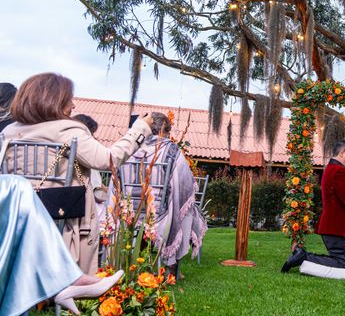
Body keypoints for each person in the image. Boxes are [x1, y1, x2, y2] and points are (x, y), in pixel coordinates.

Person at [0, 72, 153, 274]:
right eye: (68, 99)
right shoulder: (68, 130)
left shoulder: (9, 133)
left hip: (18, 220)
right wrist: (139, 129)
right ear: (53, 100)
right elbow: (107, 159)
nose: (73, 105)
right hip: (64, 224)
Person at [0, 174, 123, 316]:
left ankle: (64, 280)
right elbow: (100, 159)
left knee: (19, 191)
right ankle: (66, 281)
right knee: (18, 187)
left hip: (41, 191)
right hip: (52, 188)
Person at [118, 112, 207, 273]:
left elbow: (116, 181)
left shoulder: (129, 147)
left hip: (129, 211)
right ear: (162, 132)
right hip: (160, 213)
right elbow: (185, 182)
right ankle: (171, 266)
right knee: (185, 210)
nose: (169, 136)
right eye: (168, 133)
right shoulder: (170, 149)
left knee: (180, 207)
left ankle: (132, 261)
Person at [281, 140, 345, 279]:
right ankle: (303, 256)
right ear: (342, 153)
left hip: (335, 227)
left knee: (344, 264)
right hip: (339, 227)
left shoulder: (331, 168)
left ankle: (303, 256)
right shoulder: (340, 172)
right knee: (344, 267)